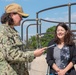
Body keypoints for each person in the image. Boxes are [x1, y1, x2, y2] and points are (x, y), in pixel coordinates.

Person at [0, 3, 46, 75]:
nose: (22, 18)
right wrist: (33, 54)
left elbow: (19, 54)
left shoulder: (12, 31)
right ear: (12, 15)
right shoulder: (3, 31)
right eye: (20, 16)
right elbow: (11, 55)